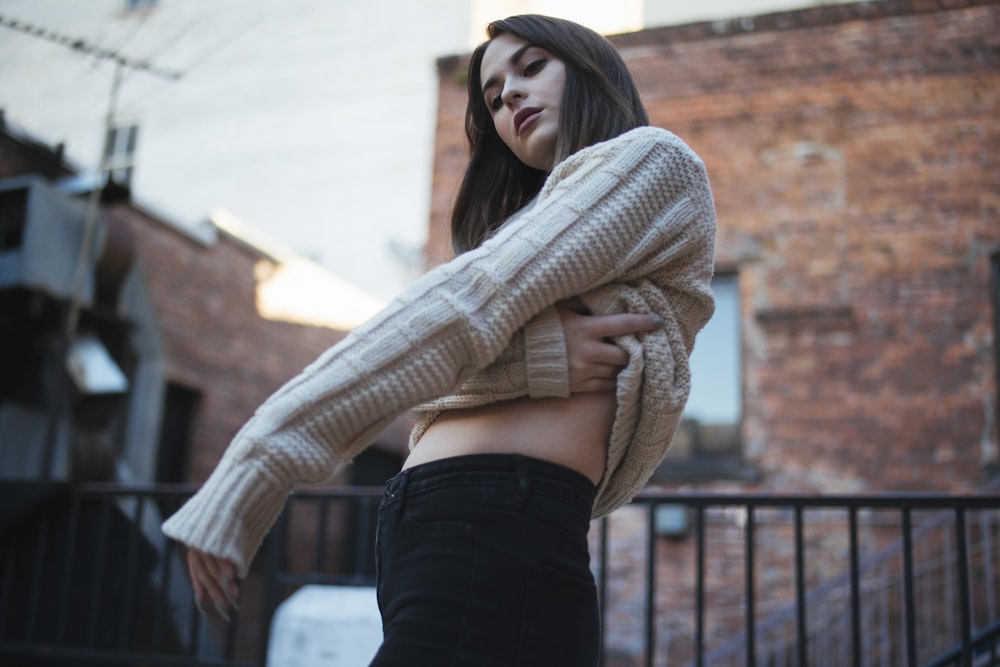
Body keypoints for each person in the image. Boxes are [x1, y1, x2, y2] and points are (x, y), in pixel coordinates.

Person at [163, 13, 716, 666]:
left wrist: (263, 457)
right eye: (491, 94)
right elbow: (425, 377)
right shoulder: (540, 234)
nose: (508, 94)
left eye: (532, 67)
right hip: (448, 527)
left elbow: (462, 309)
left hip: (501, 525)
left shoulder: (654, 164)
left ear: (593, 72)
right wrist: (534, 357)